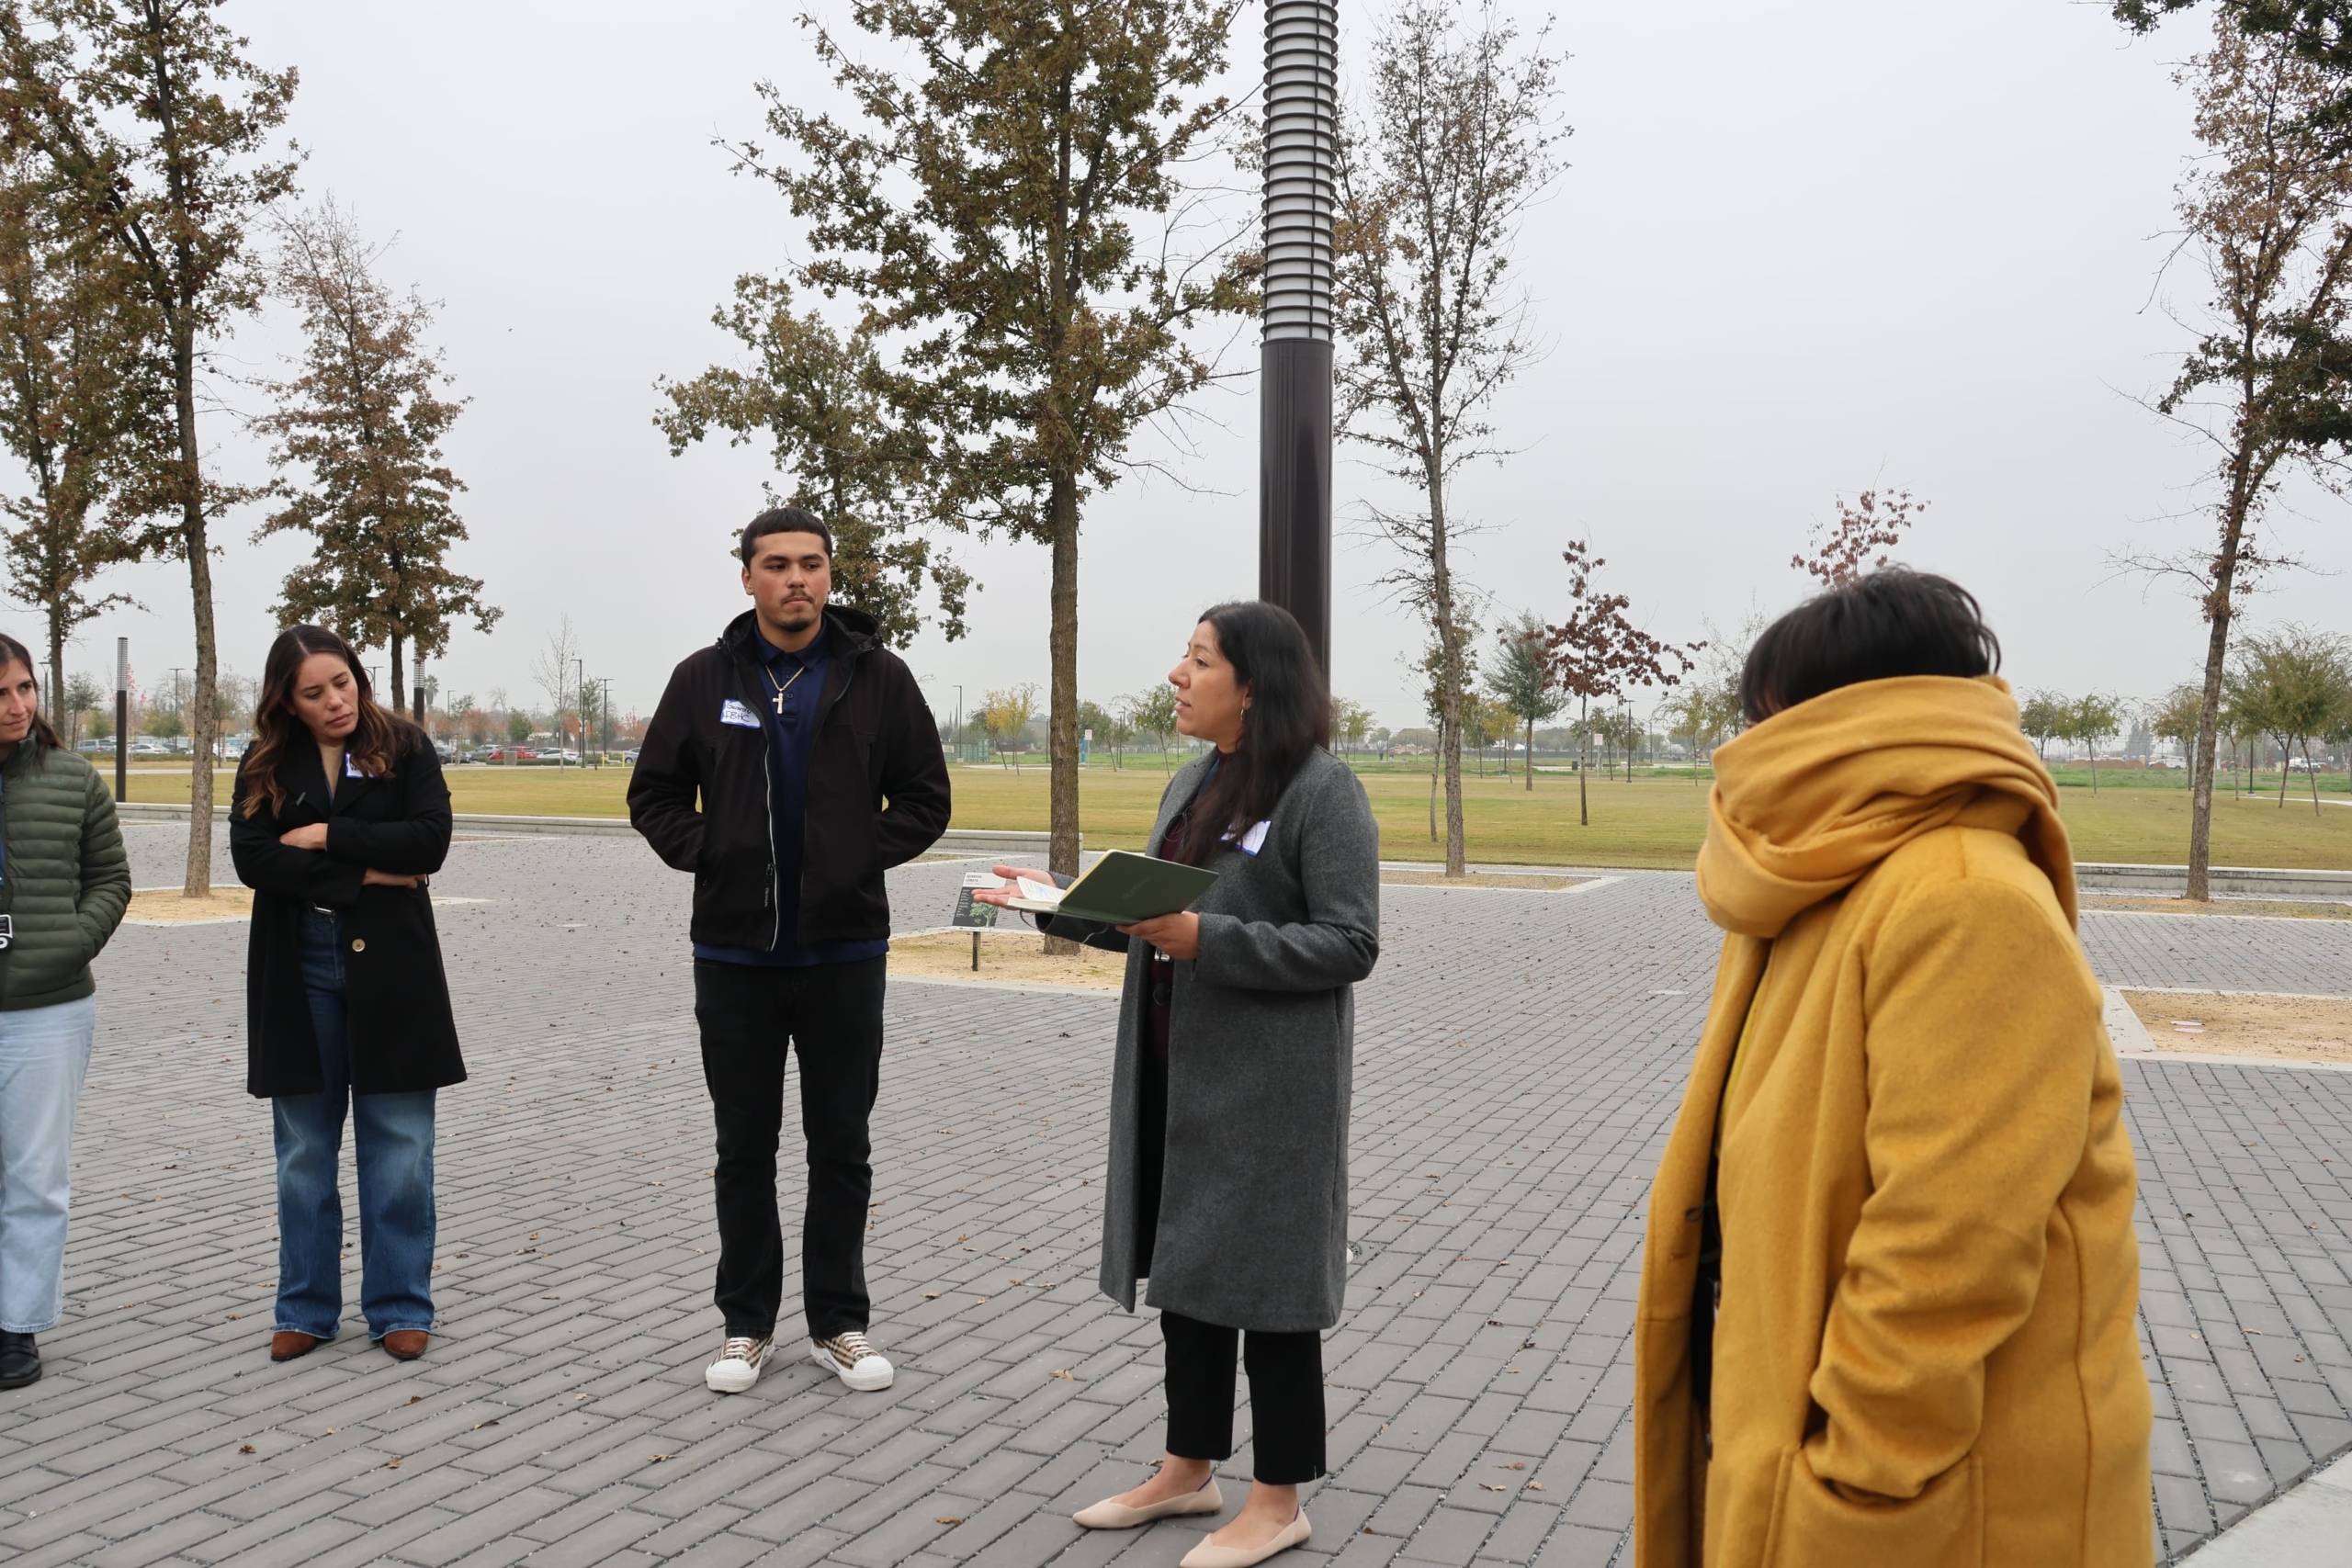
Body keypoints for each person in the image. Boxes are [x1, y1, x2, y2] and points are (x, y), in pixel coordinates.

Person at [1631, 570, 2151, 1567]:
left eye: (1763, 718)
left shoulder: (1962, 899)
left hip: (1942, 1497)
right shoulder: (1834, 880)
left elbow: (1952, 1240)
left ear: (1841, 721)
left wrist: (1863, 1462)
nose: (1739, 751)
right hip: (1815, 1435)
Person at [977, 600, 1378, 1568]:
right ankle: (1187, 1470)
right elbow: (1151, 912)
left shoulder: (1325, 793)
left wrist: (1213, 942)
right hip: (1174, 1074)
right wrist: (1056, 906)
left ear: (1254, 686)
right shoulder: (1192, 783)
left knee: (1273, 1295)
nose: (1176, 675)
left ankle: (1277, 1500)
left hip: (1271, 1094)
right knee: (1190, 1279)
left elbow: (1350, 942)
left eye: (1198, 660)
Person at [630, 505, 951, 1395]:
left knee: (840, 1145)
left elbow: (925, 799)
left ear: (830, 573)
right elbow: (653, 796)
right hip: (735, 958)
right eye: (776, 564)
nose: (796, 579)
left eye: (810, 563)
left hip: (845, 956)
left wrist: (852, 857)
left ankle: (839, 1324)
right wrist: (719, 854)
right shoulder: (703, 680)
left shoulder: (878, 678)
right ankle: (745, 1326)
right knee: (744, 1147)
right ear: (747, 578)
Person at [231, 625, 460, 1364]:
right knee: (304, 1149)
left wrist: (325, 835)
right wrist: (369, 871)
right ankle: (305, 1306)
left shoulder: (406, 745)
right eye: (314, 691)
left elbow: (428, 842)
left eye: (343, 681)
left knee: (400, 1146)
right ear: (287, 703)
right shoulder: (265, 760)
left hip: (393, 969)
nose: (336, 700)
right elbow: (254, 858)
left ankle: (399, 1305)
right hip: (298, 964)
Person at [0, 634, 129, 1390]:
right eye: (1, 694)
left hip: (48, 1013)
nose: (17, 707)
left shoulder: (74, 779)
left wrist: (62, 949)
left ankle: (17, 1325)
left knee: (35, 1177)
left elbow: (111, 880)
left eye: (25, 688)